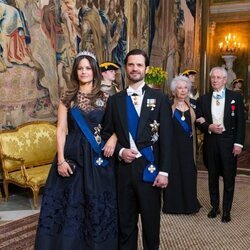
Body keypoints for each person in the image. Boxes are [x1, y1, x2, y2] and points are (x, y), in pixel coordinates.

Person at [35, 51, 118, 249]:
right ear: (75, 72)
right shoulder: (67, 98)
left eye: (88, 68)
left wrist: (113, 139)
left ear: (95, 71)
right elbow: (62, 129)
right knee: (70, 203)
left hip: (97, 156)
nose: (84, 71)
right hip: (73, 156)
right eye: (80, 68)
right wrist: (61, 160)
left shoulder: (107, 97)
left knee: (95, 201)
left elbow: (117, 126)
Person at [102, 49, 173, 250]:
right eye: (131, 65)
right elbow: (107, 134)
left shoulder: (159, 99)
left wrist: (164, 172)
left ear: (146, 69)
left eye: (139, 65)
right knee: (125, 226)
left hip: (150, 170)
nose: (135, 68)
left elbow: (167, 139)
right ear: (126, 68)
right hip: (124, 172)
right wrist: (120, 152)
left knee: (151, 226)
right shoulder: (115, 101)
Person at [196, 66, 245, 223]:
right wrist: (208, 126)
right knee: (212, 177)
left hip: (229, 141)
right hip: (211, 141)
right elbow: (198, 120)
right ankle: (215, 207)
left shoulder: (235, 98)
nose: (215, 80)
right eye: (213, 78)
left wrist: (238, 144)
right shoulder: (203, 99)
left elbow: (240, 123)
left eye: (218, 77)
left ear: (225, 80)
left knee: (229, 177)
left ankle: (226, 210)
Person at [162, 76, 202, 214]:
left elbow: (201, 122)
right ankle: (173, 206)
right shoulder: (167, 105)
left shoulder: (194, 105)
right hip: (172, 146)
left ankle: (190, 205)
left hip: (188, 147)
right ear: (174, 91)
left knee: (188, 173)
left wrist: (202, 121)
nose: (183, 90)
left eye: (185, 87)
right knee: (174, 174)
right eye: (179, 88)